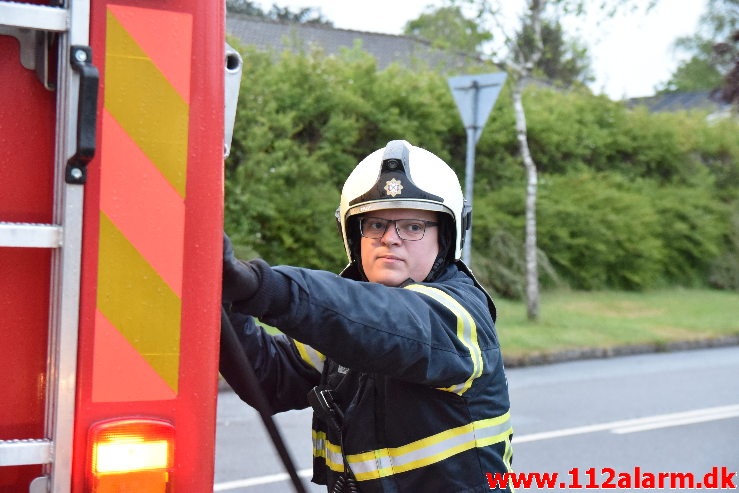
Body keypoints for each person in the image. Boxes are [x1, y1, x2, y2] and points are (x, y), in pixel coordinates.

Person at [221, 140, 513, 492]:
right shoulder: (346, 323)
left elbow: (390, 324)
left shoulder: (457, 316)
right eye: (375, 224)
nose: (390, 238)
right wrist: (224, 303)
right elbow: (270, 379)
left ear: (447, 235)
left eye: (413, 226)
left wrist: (262, 286)